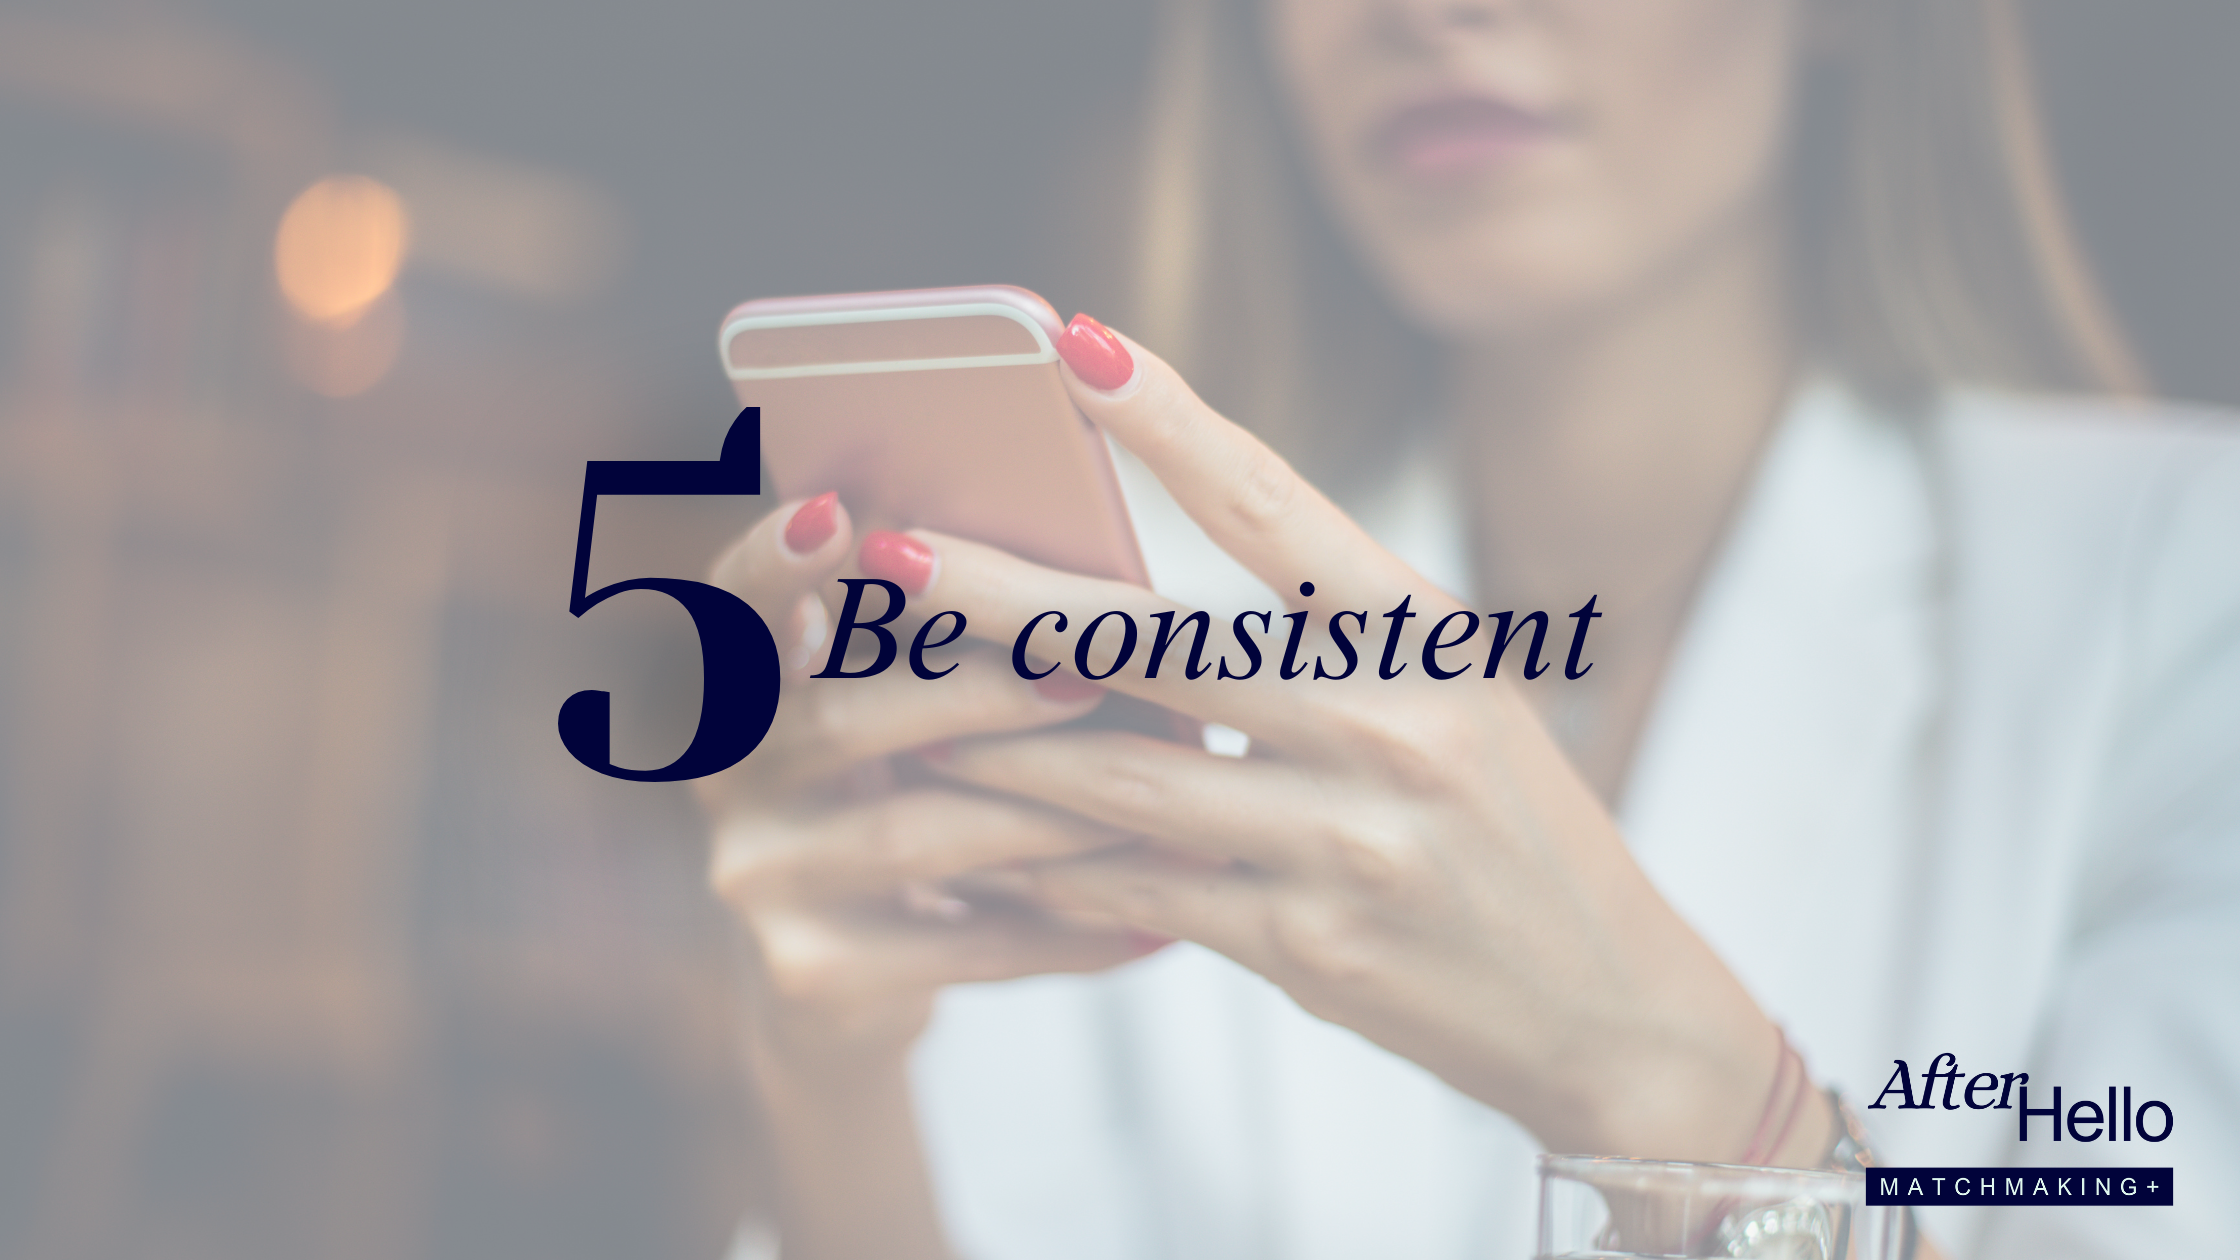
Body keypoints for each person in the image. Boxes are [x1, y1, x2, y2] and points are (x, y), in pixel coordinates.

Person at [697, 0, 2240, 1256]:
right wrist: (830, 1066)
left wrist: (1681, 1094)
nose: (1432, 13)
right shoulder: (1115, 625)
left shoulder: (2184, 589)